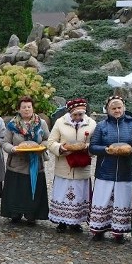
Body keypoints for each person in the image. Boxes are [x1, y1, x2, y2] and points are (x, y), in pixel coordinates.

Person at [88, 95, 132, 242]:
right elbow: (93, 147)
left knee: (122, 201)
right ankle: (99, 229)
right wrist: (106, 149)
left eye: (119, 107)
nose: (117, 110)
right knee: (102, 200)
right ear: (108, 110)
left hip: (125, 170)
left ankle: (119, 231)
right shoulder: (102, 126)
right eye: (113, 108)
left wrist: (131, 150)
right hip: (105, 169)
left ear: (124, 108)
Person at [47, 98, 97, 233]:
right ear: (70, 113)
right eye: (75, 114)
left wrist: (88, 147)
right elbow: (50, 142)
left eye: (81, 114)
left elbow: (96, 143)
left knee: (79, 195)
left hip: (82, 166)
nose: (78, 117)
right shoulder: (60, 122)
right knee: (63, 194)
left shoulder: (91, 124)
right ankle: (61, 221)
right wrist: (61, 148)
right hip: (64, 166)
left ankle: (76, 222)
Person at [0, 96, 49, 225]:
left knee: (32, 190)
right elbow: (5, 143)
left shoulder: (41, 123)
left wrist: (41, 147)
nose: (27, 109)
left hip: (35, 163)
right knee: (17, 190)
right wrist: (13, 149)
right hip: (17, 163)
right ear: (19, 109)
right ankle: (15, 213)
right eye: (24, 107)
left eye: (29, 107)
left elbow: (47, 139)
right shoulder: (12, 124)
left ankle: (31, 214)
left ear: (32, 108)